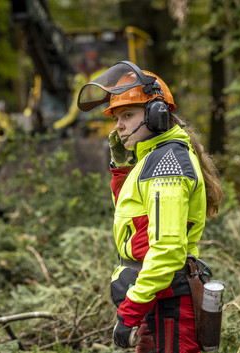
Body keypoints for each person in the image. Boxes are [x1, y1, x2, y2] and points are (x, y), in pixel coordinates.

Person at [77, 61, 223, 353]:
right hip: (157, 299)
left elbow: (167, 249)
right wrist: (121, 167)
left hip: (167, 303)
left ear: (157, 115)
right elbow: (136, 221)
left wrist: (130, 311)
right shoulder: (155, 159)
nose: (118, 125)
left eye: (127, 115)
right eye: (116, 117)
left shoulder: (167, 164)